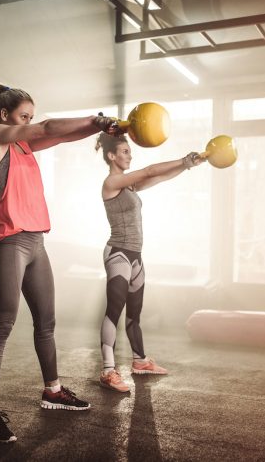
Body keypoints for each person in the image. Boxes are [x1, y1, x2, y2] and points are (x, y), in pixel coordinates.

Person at [0, 85, 123, 443]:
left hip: (37, 244)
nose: (29, 123)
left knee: (46, 322)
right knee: (2, 325)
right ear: (5, 116)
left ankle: (52, 390)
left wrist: (101, 128)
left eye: (30, 117)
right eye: (23, 117)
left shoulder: (22, 145)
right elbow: (49, 129)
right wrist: (96, 118)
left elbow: (60, 137)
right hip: (10, 244)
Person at [94, 131, 204, 393]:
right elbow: (150, 169)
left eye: (129, 152)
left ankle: (140, 362)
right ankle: (108, 371)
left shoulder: (129, 185)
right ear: (111, 156)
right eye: (124, 152)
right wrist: (184, 160)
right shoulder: (112, 183)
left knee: (134, 314)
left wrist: (186, 167)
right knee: (114, 310)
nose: (129, 155)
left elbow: (159, 176)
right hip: (118, 253)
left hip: (136, 255)